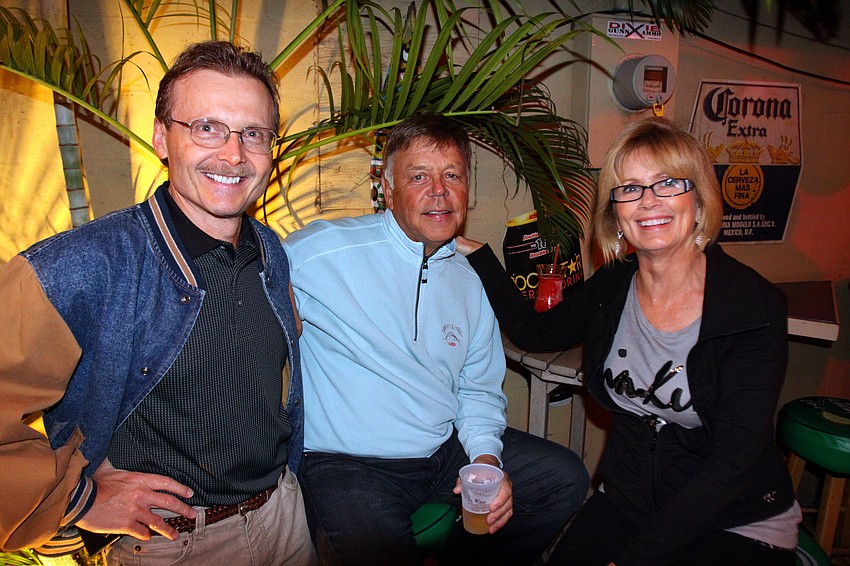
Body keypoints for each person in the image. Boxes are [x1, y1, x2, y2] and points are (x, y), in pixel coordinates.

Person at [0, 41, 317, 565]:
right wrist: (79, 498)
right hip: (174, 546)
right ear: (162, 137)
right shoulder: (82, 266)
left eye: (254, 134)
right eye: (207, 128)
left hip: (283, 518)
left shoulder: (269, 250)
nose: (234, 155)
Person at [456, 117, 800, 566]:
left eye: (667, 183)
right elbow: (536, 333)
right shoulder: (614, 284)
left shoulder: (752, 308)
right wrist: (479, 255)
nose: (647, 202)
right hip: (629, 501)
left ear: (699, 200)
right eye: (630, 188)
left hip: (733, 518)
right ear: (616, 213)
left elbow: (732, 464)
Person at [282, 113, 589, 566]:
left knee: (562, 478)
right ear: (387, 189)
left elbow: (478, 389)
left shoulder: (469, 281)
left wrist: (486, 458)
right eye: (419, 177)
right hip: (346, 464)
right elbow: (241, 301)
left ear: (468, 188)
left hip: (442, 452)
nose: (439, 191)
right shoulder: (321, 253)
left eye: (452, 176)